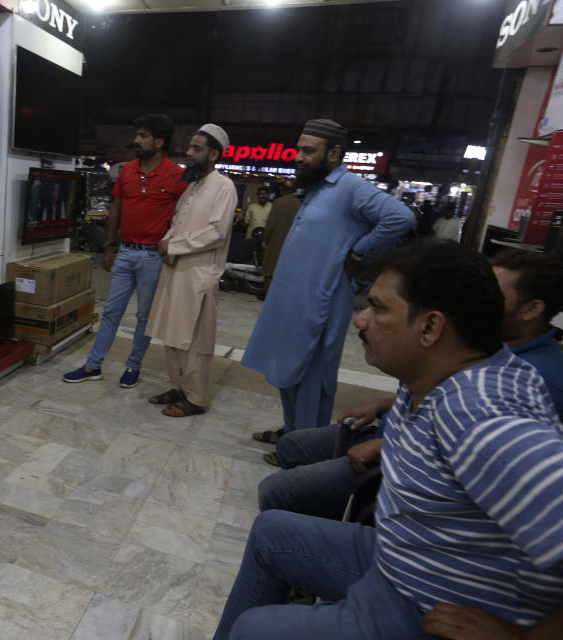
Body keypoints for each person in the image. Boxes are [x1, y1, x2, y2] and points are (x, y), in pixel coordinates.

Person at [213, 241, 563, 640]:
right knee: (271, 532)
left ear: (431, 327)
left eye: (378, 308)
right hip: (405, 557)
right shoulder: (438, 378)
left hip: (425, 603)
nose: (361, 320)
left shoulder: (479, 414)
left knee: (255, 631)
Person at [258, 246, 563, 518]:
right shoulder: (488, 351)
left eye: (379, 308)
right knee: (292, 447)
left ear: (532, 309)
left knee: (276, 505)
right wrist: (382, 405)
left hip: (393, 457)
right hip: (391, 434)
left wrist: (387, 446)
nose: (360, 321)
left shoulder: (509, 393)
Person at [241, 119, 414, 445]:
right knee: (290, 368)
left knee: (311, 376)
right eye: (299, 149)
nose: (299, 157)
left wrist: (359, 253)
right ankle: (292, 433)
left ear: (334, 153)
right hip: (295, 299)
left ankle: (304, 446)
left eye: (308, 151)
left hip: (322, 299)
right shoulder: (320, 187)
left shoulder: (351, 186)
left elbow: (400, 218)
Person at [63, 114, 186, 388]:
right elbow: (115, 209)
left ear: (159, 141)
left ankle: (133, 366)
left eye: (143, 136)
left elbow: (185, 213)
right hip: (125, 253)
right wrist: (109, 246)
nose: (137, 141)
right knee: (111, 312)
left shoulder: (177, 175)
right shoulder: (128, 170)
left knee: (145, 316)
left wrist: (173, 244)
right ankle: (93, 365)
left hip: (154, 257)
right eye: (137, 135)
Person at [143, 124, 237, 416]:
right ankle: (179, 387)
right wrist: (166, 242)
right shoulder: (193, 187)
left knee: (194, 341)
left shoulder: (224, 186)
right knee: (172, 335)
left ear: (213, 154)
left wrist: (174, 246)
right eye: (190, 147)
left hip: (199, 274)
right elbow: (176, 225)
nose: (189, 152)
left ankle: (195, 399)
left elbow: (216, 233)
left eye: (197, 148)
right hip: (176, 269)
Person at [260, 177, 300, 296]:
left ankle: (269, 294)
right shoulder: (300, 204)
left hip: (275, 241)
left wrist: (265, 238)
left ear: (282, 190)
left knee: (270, 268)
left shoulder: (278, 202)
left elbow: (271, 223)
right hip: (293, 242)